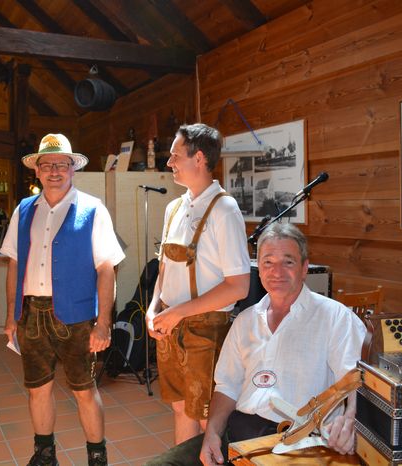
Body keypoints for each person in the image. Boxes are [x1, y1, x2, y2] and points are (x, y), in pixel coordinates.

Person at [146, 222, 366, 465]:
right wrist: (212, 434)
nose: (277, 272)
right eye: (268, 262)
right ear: (258, 270)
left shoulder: (336, 318)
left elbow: (357, 382)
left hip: (296, 442)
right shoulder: (245, 321)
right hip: (238, 432)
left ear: (305, 268)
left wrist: (351, 419)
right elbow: (226, 387)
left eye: (288, 262)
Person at [0, 133, 125, 466]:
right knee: (37, 388)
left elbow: (106, 269)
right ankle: (45, 455)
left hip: (77, 317)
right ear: (37, 170)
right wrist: (11, 315)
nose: (54, 171)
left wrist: (103, 323)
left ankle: (97, 457)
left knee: (84, 390)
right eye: (47, 165)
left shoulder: (93, 210)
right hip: (31, 314)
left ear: (72, 169)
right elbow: (14, 264)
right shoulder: (24, 210)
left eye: (62, 164)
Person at [146, 123, 251, 445]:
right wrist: (153, 309)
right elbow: (164, 270)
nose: (169, 163)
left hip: (206, 330)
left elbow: (238, 286)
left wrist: (178, 312)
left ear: (199, 158)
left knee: (207, 417)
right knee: (180, 409)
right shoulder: (173, 208)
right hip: (169, 324)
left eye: (175, 156)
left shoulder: (224, 209)